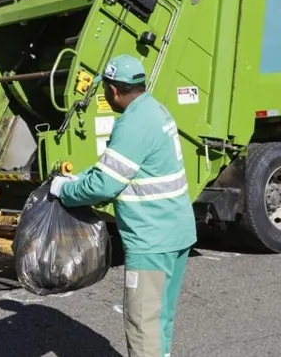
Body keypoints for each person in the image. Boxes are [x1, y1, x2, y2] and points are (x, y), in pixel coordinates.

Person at [50, 54, 197, 357]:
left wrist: (65, 190)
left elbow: (105, 185)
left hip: (151, 240)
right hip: (177, 233)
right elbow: (118, 169)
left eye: (105, 89)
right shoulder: (156, 110)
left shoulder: (132, 124)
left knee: (143, 322)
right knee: (161, 318)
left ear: (114, 91)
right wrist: (85, 176)